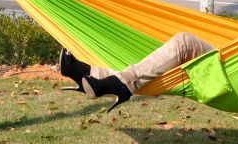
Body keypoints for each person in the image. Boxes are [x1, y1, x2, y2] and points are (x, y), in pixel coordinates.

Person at [59, 32, 214, 111]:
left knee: (185, 42)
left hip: (232, 71)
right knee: (151, 63)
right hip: (229, 64)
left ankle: (118, 84)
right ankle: (94, 76)